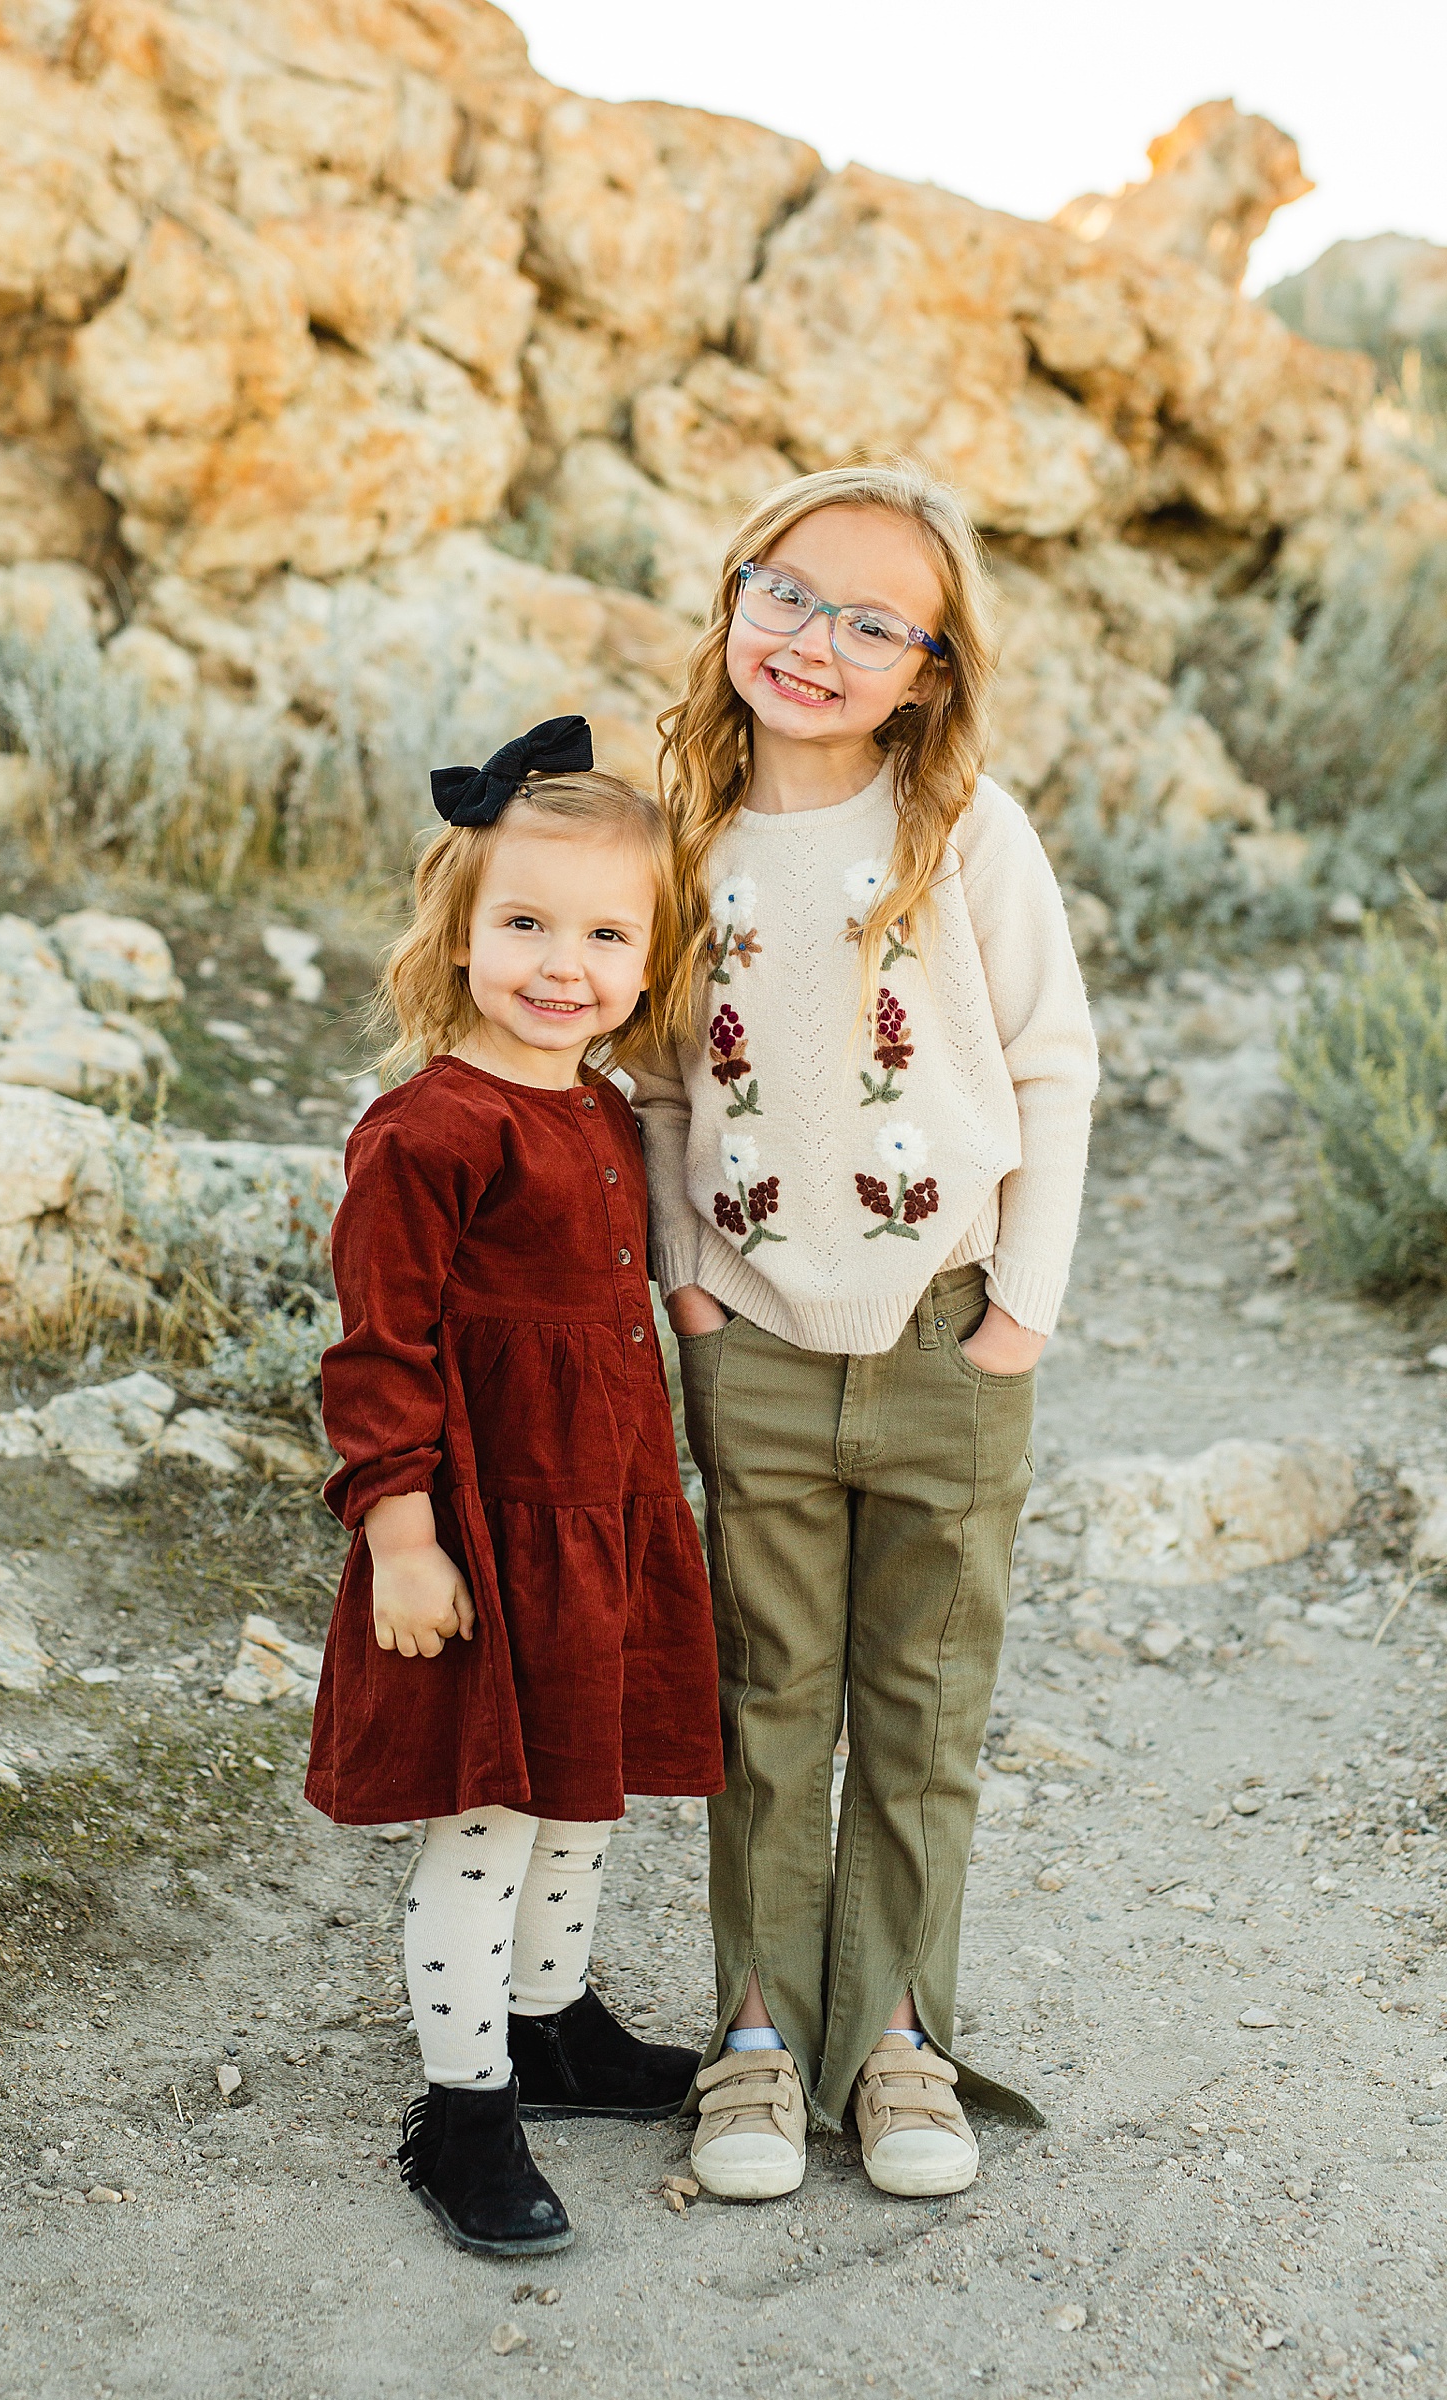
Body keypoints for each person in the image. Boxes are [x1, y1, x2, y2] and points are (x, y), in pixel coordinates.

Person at [634, 460, 1099, 2202]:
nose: (818, 640)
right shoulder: (686, 839)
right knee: (768, 1698)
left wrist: (1019, 1319)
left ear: (930, 667)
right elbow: (667, 1090)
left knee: (917, 1704)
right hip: (750, 1334)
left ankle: (898, 2036)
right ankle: (755, 2037)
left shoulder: (960, 829)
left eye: (874, 620)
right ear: (736, 595)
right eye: (789, 590)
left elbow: (1053, 1066)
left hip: (944, 1340)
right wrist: (689, 1283)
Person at [306, 718, 724, 2258]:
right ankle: (463, 2104)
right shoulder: (429, 1130)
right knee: (486, 1816)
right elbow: (378, 1353)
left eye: (610, 933)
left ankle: (552, 2026)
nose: (567, 964)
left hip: (600, 1512)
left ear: (654, 954)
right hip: (483, 1530)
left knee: (581, 1795)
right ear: (462, 932)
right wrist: (403, 1538)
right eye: (528, 925)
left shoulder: (603, 1106)